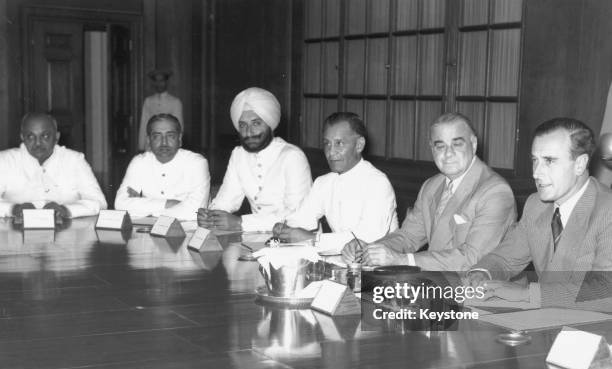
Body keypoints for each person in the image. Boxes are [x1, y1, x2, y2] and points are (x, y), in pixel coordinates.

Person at [467, 117, 612, 309]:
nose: (536, 172)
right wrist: (482, 274)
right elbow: (505, 258)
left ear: (580, 164)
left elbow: (605, 290)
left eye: (549, 161)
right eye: (535, 160)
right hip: (544, 322)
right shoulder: (536, 204)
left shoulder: (606, 209)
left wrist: (524, 294)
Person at [342, 112, 516, 271]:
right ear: (431, 148)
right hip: (438, 287)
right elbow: (408, 236)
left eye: (457, 144)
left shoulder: (495, 192)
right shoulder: (431, 186)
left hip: (478, 295)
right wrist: (367, 249)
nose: (448, 153)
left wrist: (402, 260)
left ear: (474, 144)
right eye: (440, 146)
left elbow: (472, 259)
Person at [272, 112, 398, 249]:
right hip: (340, 262)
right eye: (327, 144)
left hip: (378, 265)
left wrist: (314, 239)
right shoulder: (324, 182)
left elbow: (369, 237)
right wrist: (286, 227)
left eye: (339, 143)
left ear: (359, 145)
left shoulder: (377, 183)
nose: (331, 152)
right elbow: (303, 218)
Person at [198, 87, 311, 231]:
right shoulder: (239, 155)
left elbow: (297, 214)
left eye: (256, 123)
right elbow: (225, 200)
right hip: (257, 238)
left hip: (296, 240)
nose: (249, 132)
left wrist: (241, 223)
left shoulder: (292, 157)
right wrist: (211, 215)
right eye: (243, 125)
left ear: (270, 124)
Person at [0, 112, 107, 221]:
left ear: (56, 137)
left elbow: (99, 202)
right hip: (16, 233)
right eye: (31, 136)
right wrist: (13, 209)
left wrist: (66, 210)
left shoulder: (74, 161)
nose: (38, 143)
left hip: (66, 233)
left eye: (45, 136)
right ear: (22, 137)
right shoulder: (5, 161)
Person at [115, 113, 209, 220]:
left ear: (180, 138)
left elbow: (196, 212)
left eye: (170, 136)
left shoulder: (196, 163)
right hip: (146, 231)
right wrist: (169, 203)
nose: (164, 142)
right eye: (157, 136)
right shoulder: (139, 163)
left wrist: (143, 208)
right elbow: (120, 204)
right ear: (148, 140)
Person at [137, 69, 183, 151]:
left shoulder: (175, 102)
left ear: (166, 82)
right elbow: (144, 124)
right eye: (156, 81)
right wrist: (141, 146)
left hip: (168, 144)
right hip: (151, 144)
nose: (159, 84)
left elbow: (179, 126)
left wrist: (177, 145)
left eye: (161, 81)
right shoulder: (148, 101)